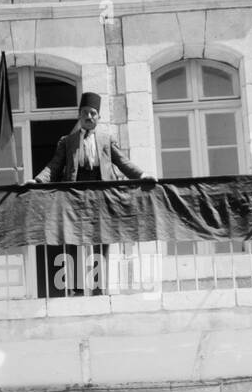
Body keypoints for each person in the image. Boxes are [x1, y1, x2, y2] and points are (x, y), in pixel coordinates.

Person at [24, 92, 155, 295]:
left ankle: (98, 288)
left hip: (101, 197)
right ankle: (76, 289)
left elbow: (123, 162)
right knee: (75, 239)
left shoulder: (106, 140)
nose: (89, 117)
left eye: (93, 113)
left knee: (101, 240)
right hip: (75, 197)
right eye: (85, 113)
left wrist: (143, 175)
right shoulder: (67, 141)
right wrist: (38, 180)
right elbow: (55, 166)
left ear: (98, 117)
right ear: (79, 115)